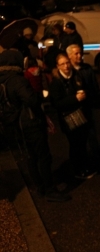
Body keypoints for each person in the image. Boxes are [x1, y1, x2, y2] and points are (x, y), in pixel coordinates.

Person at [0, 49, 69, 202]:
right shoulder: (17, 80)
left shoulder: (2, 79)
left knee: (30, 157)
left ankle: (39, 186)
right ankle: (50, 189)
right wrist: (38, 95)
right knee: (43, 156)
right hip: (30, 123)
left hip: (15, 125)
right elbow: (32, 100)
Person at [49, 53, 96, 179]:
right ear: (57, 66)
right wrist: (75, 99)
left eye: (67, 63)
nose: (66, 66)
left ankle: (85, 166)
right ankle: (78, 169)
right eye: (62, 64)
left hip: (81, 115)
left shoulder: (76, 76)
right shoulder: (56, 83)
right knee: (75, 144)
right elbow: (57, 103)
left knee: (82, 142)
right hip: (68, 118)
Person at [67, 44, 100, 165]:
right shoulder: (68, 70)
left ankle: (96, 159)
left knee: (91, 133)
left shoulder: (87, 68)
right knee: (77, 138)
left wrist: (94, 99)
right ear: (69, 55)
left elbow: (94, 85)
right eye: (76, 53)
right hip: (75, 109)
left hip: (87, 106)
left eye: (80, 53)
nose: (79, 56)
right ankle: (81, 161)